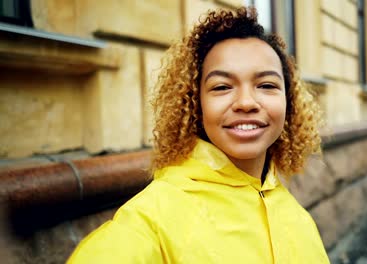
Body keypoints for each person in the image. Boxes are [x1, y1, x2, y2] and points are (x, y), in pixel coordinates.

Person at [68, 6, 329, 263]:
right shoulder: (154, 218)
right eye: (222, 86)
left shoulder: (296, 214)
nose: (246, 102)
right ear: (195, 104)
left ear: (289, 102)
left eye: (267, 85)